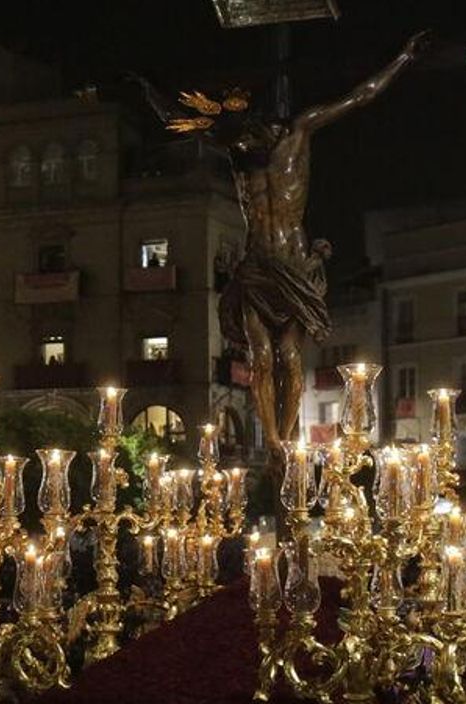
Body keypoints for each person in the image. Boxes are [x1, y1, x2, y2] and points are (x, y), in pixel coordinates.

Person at [131, 32, 434, 462]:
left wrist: (403, 57)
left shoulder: (299, 133)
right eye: (243, 134)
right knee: (261, 357)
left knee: (289, 357)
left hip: (293, 265)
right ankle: (274, 440)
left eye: (254, 131)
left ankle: (287, 439)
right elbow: (176, 120)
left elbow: (360, 96)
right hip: (256, 265)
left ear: (270, 125)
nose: (247, 140)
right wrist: (148, 88)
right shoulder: (238, 151)